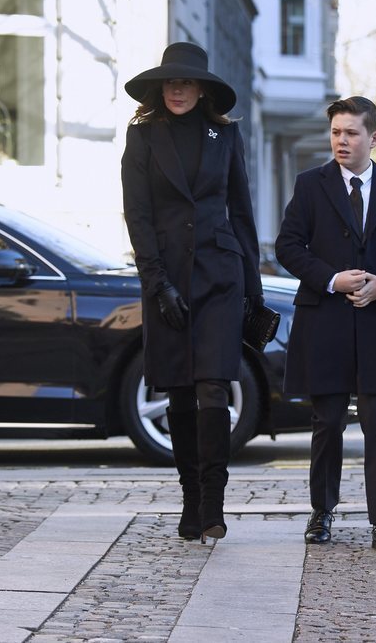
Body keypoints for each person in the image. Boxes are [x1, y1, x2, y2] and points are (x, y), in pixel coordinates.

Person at [121, 42, 263, 543]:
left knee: (213, 389)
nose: (177, 89)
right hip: (167, 280)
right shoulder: (141, 138)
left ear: (202, 89)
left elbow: (242, 212)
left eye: (186, 82)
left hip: (220, 276)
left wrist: (255, 286)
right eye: (170, 82)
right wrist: (156, 284)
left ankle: (213, 506)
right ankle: (188, 500)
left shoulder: (225, 136)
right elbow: (137, 217)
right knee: (179, 392)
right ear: (161, 89)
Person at [276, 96, 376, 552]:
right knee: (327, 420)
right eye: (335, 133)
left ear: (373, 138)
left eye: (351, 133)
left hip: (375, 324)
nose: (341, 141)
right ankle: (321, 512)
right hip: (324, 320)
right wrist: (332, 279)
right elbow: (287, 246)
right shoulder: (310, 185)